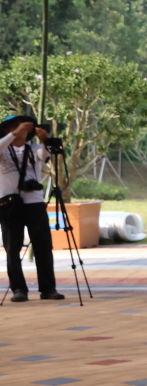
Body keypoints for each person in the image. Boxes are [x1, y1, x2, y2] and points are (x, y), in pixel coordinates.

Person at [1, 113, 61, 301]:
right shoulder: (3, 148)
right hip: (9, 203)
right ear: (7, 129)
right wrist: (13, 134)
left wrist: (44, 140)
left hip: (34, 202)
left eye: (25, 126)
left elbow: (45, 155)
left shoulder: (33, 148)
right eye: (16, 126)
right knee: (12, 248)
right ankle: (19, 289)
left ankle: (48, 288)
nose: (22, 129)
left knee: (43, 246)